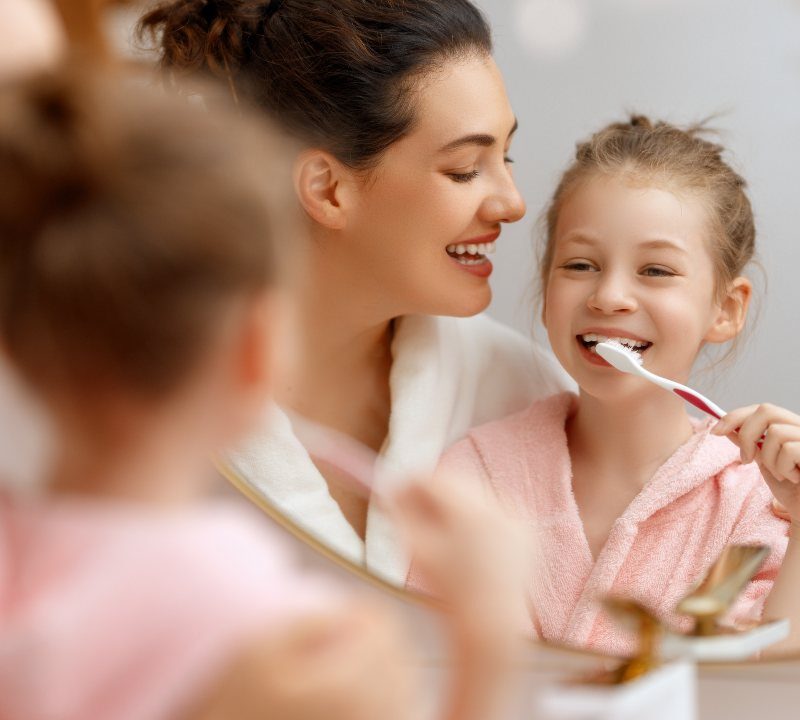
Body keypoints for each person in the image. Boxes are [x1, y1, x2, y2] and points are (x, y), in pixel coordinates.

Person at [0, 69, 529, 720]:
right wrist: (486, 637)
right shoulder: (254, 615)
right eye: (465, 169)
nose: (511, 201)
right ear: (255, 349)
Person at [138, 0, 573, 583]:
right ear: (328, 190)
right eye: (465, 169)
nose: (513, 203)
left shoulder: (523, 392)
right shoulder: (139, 402)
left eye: (506, 155)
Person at [430, 116, 800, 655]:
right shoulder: (476, 477)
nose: (608, 297)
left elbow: (771, 684)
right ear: (546, 289)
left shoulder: (758, 500)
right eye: (580, 264)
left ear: (725, 308)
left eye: (656, 271)